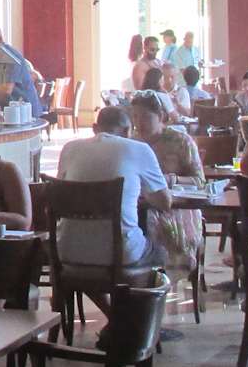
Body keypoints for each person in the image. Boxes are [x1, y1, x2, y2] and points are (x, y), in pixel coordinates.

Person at [53, 104, 172, 273]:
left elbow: (61, 194)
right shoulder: (139, 149)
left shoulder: (69, 149)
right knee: (161, 253)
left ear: (95, 128)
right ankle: (135, 290)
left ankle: (96, 290)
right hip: (121, 253)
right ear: (127, 130)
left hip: (67, 250)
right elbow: (165, 202)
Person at [126, 94, 203, 278]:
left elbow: (199, 181)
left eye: (145, 117)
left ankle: (161, 275)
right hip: (138, 206)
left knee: (156, 224)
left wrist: (169, 180)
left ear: (160, 116)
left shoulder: (181, 141)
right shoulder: (132, 143)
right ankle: (136, 275)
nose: (139, 123)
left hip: (175, 206)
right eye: (135, 117)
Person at [0, 25, 45, 116]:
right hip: (13, 111)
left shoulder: (9, 56)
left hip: (27, 113)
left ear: (0, 39)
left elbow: (6, 89)